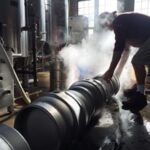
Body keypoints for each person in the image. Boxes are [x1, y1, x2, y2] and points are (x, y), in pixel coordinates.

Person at [101, 12, 150, 112]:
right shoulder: (123, 24)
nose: (106, 29)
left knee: (137, 61)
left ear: (107, 21)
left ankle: (140, 96)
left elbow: (118, 49)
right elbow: (125, 53)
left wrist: (110, 71)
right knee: (146, 71)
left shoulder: (118, 23)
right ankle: (139, 94)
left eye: (104, 26)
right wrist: (117, 73)